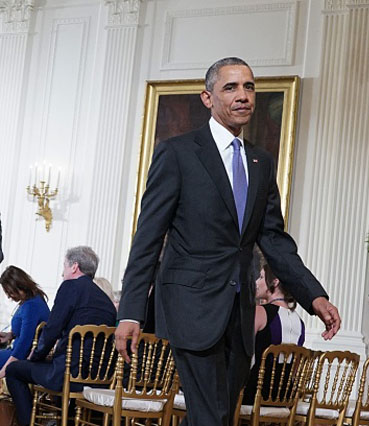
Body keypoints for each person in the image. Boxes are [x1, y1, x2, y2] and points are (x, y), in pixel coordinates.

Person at [115, 57, 341, 426]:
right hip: (190, 307)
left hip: (239, 316)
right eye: (230, 87)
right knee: (210, 417)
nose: (243, 96)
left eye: (249, 87)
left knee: (216, 414)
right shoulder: (178, 153)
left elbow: (274, 240)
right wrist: (131, 311)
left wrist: (313, 295)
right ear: (207, 98)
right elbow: (148, 238)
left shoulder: (261, 162)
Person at [5, 246, 117, 426]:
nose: (62, 273)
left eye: (64, 266)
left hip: (68, 374)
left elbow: (52, 330)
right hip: (99, 378)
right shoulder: (107, 302)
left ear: (74, 266)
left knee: (13, 370)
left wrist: (35, 357)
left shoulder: (70, 286)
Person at [242, 263, 305, 405]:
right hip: (285, 396)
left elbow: (244, 354)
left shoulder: (260, 312)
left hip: (256, 394)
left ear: (275, 281)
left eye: (261, 277)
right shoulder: (300, 322)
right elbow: (295, 368)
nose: (257, 282)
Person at [0, 266, 50, 379]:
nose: (9, 296)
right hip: (16, 351)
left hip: (21, 356)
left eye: (10, 292)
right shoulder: (31, 300)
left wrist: (3, 372)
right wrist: (10, 335)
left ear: (20, 286)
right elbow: (27, 331)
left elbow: (24, 344)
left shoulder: (31, 306)